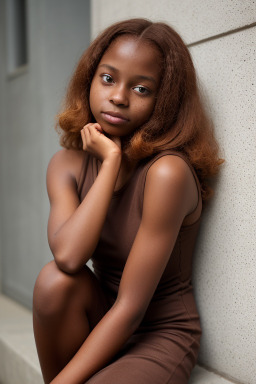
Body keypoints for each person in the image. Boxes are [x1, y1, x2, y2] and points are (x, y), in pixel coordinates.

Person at [33, 18, 223, 384]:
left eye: (141, 88)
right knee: (53, 281)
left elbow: (132, 309)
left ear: (164, 101)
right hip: (100, 317)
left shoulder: (168, 173)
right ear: (89, 78)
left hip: (157, 335)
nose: (118, 96)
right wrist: (109, 166)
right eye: (108, 78)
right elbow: (70, 257)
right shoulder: (66, 165)